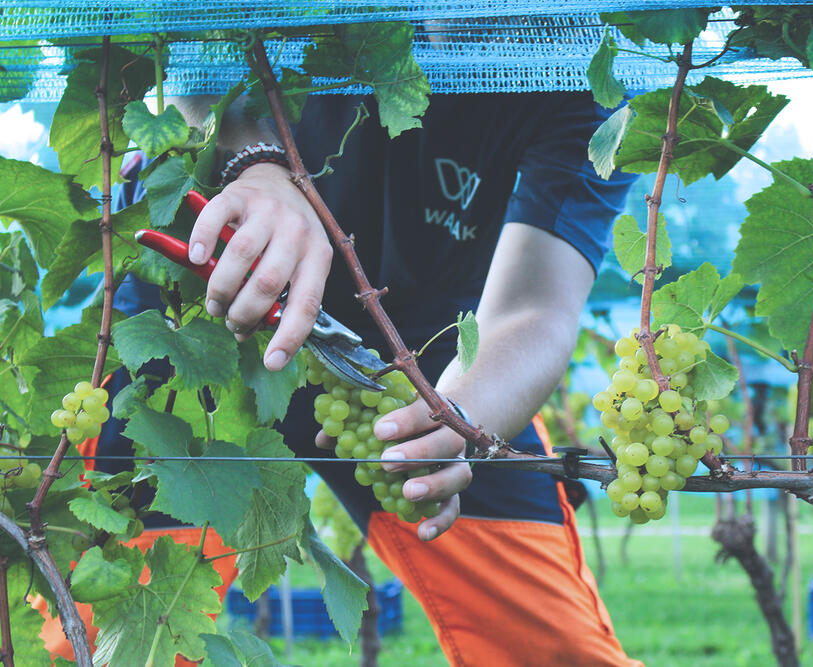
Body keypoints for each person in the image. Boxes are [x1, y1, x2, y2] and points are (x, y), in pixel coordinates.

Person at [198, 88, 642, 665]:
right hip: (204, 299)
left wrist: (457, 420)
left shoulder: (594, 82)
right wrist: (250, 158)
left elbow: (535, 306)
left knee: (553, 651)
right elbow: (171, 37)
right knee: (111, 623)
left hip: (433, 362)